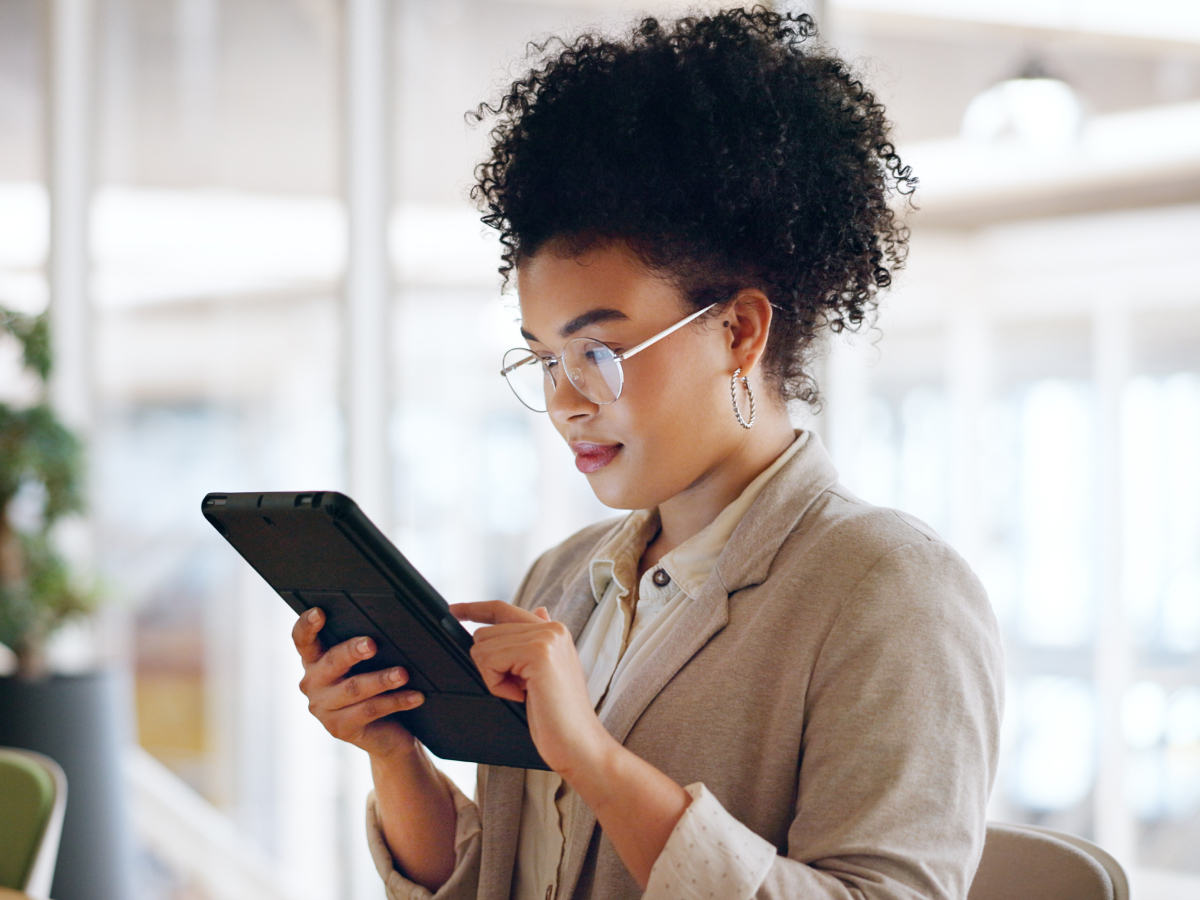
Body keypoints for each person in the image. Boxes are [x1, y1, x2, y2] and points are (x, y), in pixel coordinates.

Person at [292, 8, 1003, 900]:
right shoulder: (564, 581)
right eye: (543, 358)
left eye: (597, 352)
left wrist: (592, 758)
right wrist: (395, 753)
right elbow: (505, 882)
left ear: (738, 330)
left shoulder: (893, 591)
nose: (562, 400)